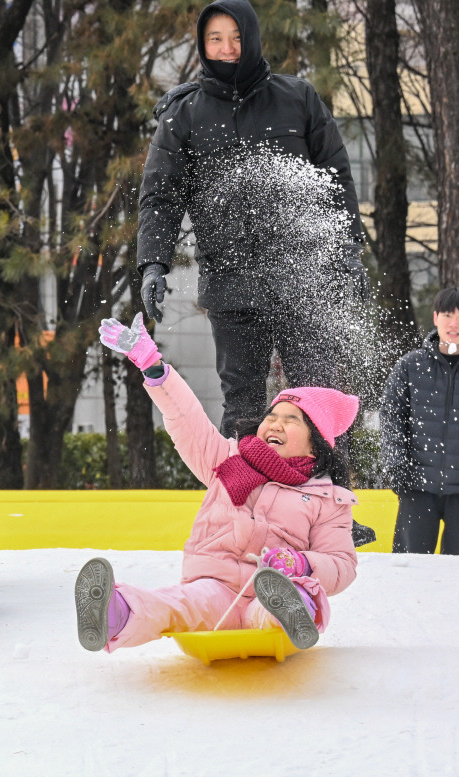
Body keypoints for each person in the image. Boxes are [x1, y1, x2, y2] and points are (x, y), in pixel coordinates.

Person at [137, 0, 374, 545]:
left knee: (315, 397)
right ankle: (240, 506)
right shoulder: (187, 113)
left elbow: (336, 180)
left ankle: (333, 508)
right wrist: (154, 263)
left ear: (252, 38)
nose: (225, 49)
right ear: (203, 46)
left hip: (302, 278)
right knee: (244, 404)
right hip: (233, 288)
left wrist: (346, 258)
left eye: (234, 38)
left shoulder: (297, 99)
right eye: (214, 40)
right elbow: (160, 198)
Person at [77, 315, 359, 652]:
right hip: (213, 584)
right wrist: (153, 366)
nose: (275, 424)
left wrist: (304, 564)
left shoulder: (328, 498)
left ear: (316, 442)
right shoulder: (228, 459)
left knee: (275, 603)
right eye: (272, 416)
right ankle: (115, 612)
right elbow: (186, 420)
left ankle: (291, 610)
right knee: (179, 604)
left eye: (291, 420)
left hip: (271, 585)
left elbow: (341, 564)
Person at [381, 288, 459, 554]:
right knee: (409, 569)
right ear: (435, 318)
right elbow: (391, 418)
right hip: (417, 489)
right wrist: (396, 464)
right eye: (447, 315)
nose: (454, 323)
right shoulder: (410, 366)